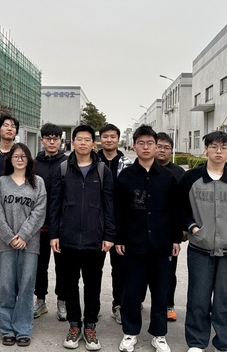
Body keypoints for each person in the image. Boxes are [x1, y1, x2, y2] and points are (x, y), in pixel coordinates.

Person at [179, 131, 227, 352]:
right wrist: (193, 227)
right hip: (199, 247)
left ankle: (225, 343)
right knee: (198, 297)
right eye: (213, 146)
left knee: (225, 298)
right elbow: (179, 207)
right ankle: (197, 342)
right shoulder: (191, 178)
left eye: (223, 147)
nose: (218, 151)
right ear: (206, 150)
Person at [115, 125, 181, 352]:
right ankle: (130, 332)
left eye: (150, 143)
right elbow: (118, 211)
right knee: (132, 292)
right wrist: (119, 238)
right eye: (141, 143)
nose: (146, 147)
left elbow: (175, 210)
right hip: (133, 244)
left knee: (161, 292)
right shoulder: (125, 177)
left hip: (162, 245)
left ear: (155, 146)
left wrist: (175, 239)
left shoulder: (168, 177)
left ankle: (159, 335)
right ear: (134, 146)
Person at [49, 125, 115, 351]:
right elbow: (55, 204)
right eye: (79, 139)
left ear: (93, 144)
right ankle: (74, 325)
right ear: (73, 142)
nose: (83, 143)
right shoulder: (63, 169)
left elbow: (109, 206)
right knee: (69, 284)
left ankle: (91, 325)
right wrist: (54, 234)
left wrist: (109, 234)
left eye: (87, 139)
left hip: (95, 239)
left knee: (93, 285)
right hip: (67, 238)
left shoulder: (103, 171)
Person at [0, 143, 47, 346]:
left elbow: (39, 212)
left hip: (29, 243)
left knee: (26, 286)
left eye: (23, 156)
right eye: (16, 156)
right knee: (6, 286)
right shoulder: (2, 182)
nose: (19, 159)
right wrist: (10, 237)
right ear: (10, 159)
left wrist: (23, 235)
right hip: (5, 243)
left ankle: (23, 329)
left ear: (29, 159)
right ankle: (7, 329)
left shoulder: (38, 182)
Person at [96, 123, 132, 325]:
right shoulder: (92, 161)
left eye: (112, 137)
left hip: (120, 223)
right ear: (100, 139)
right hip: (95, 223)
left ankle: (118, 305)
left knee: (120, 269)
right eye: (105, 136)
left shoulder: (127, 164)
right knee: (94, 269)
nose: (109, 140)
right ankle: (93, 307)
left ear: (118, 139)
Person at [33, 123, 68, 321]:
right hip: (39, 225)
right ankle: (40, 300)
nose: (52, 142)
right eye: (48, 138)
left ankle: (62, 301)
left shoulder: (67, 163)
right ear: (42, 140)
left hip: (62, 225)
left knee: (62, 266)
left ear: (60, 140)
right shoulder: (34, 164)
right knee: (40, 266)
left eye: (55, 138)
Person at [155, 132, 186, 323]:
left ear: (171, 151)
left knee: (168, 271)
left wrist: (182, 228)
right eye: (159, 146)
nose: (162, 150)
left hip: (169, 232)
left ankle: (169, 304)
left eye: (167, 148)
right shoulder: (143, 168)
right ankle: (138, 301)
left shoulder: (179, 173)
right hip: (145, 230)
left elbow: (183, 204)